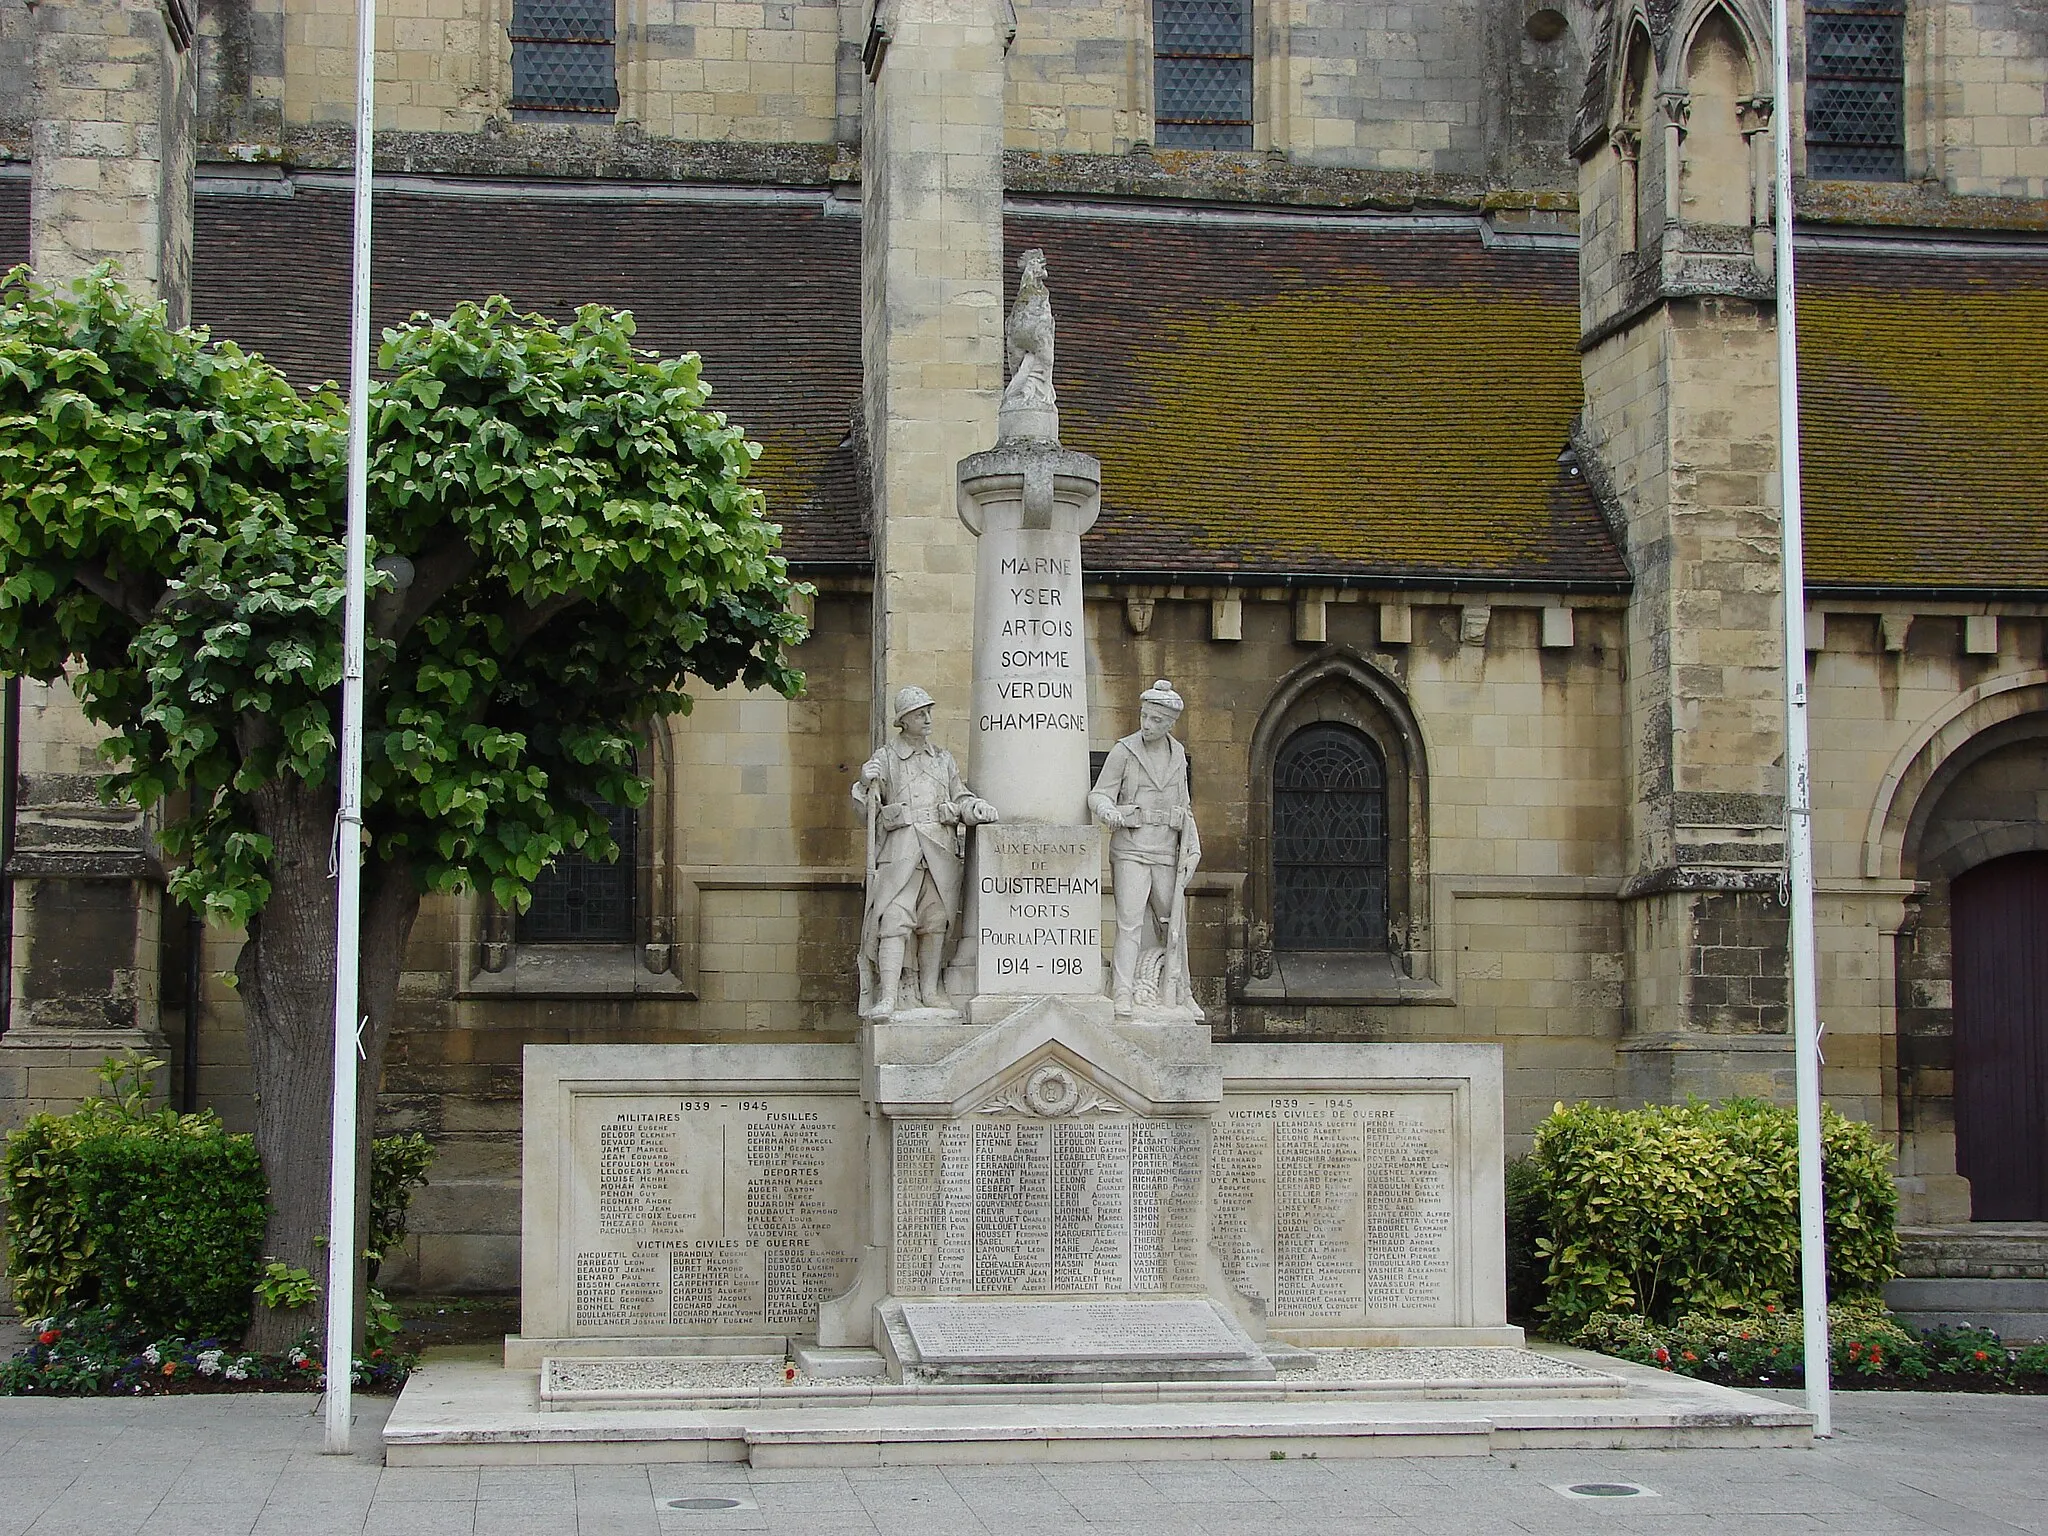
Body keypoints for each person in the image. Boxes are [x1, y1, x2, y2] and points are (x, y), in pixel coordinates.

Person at [852, 686, 999, 1017]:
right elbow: (867, 809)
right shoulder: (886, 758)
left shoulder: (943, 759)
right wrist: (863, 783)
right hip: (900, 851)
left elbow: (960, 796)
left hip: (940, 851)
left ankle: (930, 991)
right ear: (903, 720)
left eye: (928, 712)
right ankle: (888, 995)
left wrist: (974, 808)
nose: (928, 718)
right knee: (893, 919)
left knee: (935, 921)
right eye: (920, 714)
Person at [1088, 679, 1201, 1017]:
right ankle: (1122, 991)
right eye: (1145, 716)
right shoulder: (1125, 750)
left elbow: (1185, 802)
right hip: (1131, 850)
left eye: (1155, 720)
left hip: (1167, 851)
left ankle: (1181, 991)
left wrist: (1184, 823)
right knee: (1129, 922)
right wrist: (1110, 811)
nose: (1147, 724)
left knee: (1173, 924)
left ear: (1169, 723)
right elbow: (1099, 794)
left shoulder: (1177, 754)